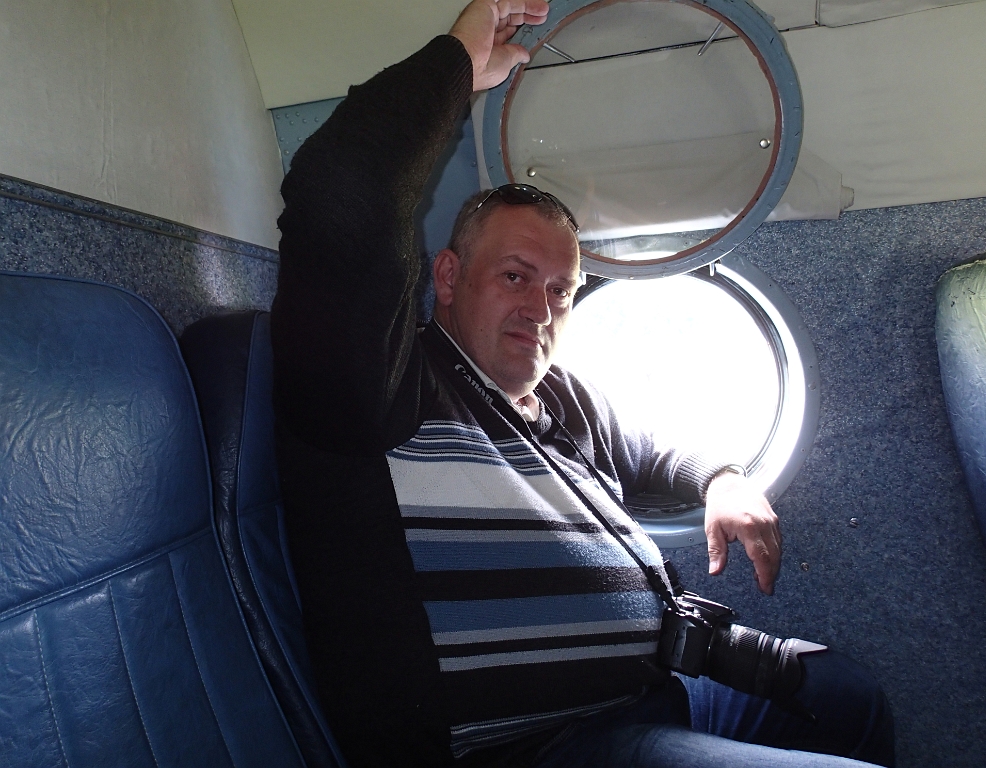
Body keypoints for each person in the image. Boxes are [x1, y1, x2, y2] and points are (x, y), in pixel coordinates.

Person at [270, 1, 894, 766]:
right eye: (514, 276)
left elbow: (653, 450)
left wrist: (723, 478)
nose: (541, 309)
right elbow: (341, 195)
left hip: (653, 688)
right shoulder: (386, 381)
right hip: (534, 744)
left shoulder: (563, 397)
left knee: (852, 699)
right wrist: (459, 59)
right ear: (449, 276)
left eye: (562, 290)